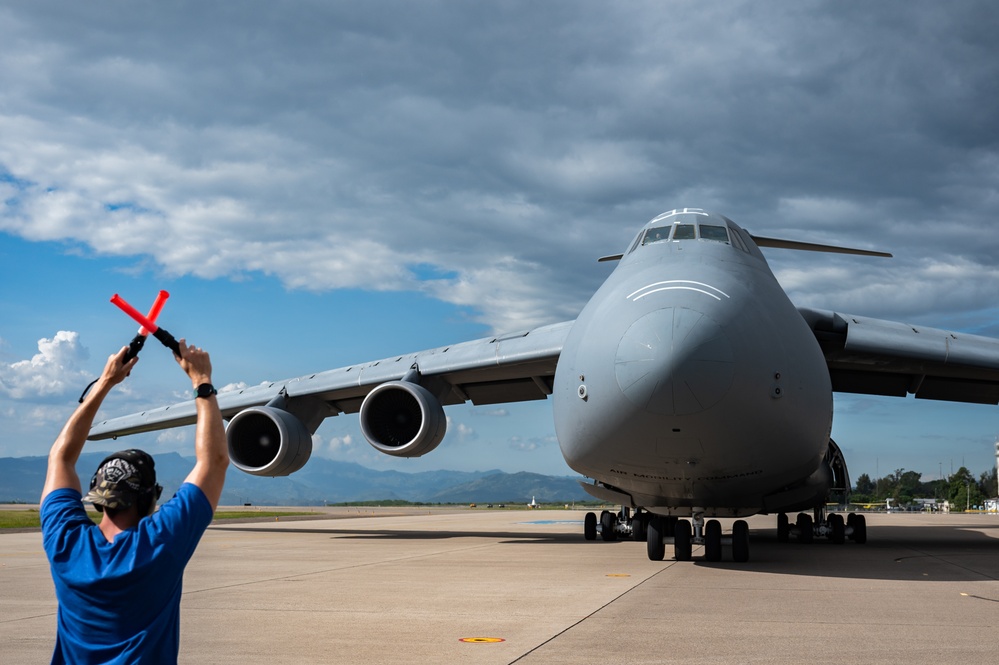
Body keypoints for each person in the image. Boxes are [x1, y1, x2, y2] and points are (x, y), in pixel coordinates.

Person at [40, 340, 228, 664]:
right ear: (148, 499)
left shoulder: (65, 543)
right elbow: (214, 460)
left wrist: (106, 382)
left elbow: (61, 456)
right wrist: (202, 381)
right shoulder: (158, 545)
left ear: (97, 494)